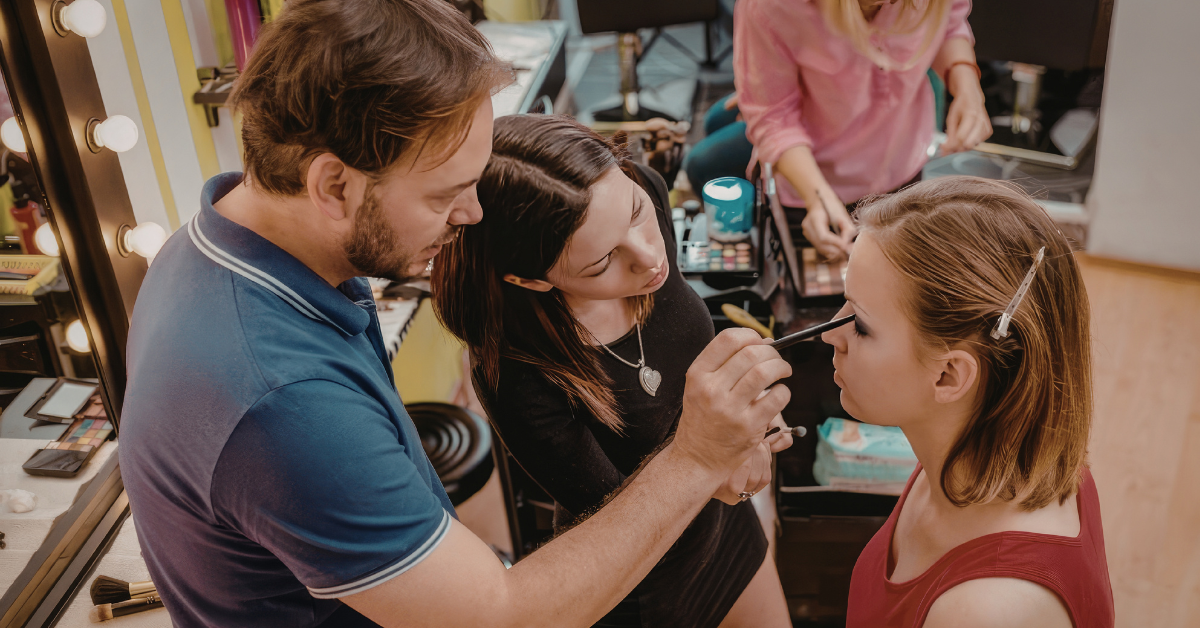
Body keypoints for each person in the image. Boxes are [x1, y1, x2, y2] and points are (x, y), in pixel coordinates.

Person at [117, 2, 793, 627]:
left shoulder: (208, 249)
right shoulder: (283, 403)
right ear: (334, 185)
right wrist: (699, 455)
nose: (470, 215)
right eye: (446, 194)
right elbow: (499, 618)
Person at [432, 115, 793, 628]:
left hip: (724, 530)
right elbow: (611, 516)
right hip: (636, 579)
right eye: (602, 264)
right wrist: (722, 460)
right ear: (532, 281)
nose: (651, 259)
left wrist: (750, 417)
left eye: (638, 214)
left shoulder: (641, 186)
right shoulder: (515, 375)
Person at [818, 176, 1114, 627]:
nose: (827, 334)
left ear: (950, 375)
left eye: (859, 324)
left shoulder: (984, 613)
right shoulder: (986, 446)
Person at [684, 0, 992, 261]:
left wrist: (966, 84)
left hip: (902, 157)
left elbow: (950, 21)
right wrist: (817, 198)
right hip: (813, 175)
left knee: (717, 121)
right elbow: (773, 116)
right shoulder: (772, 7)